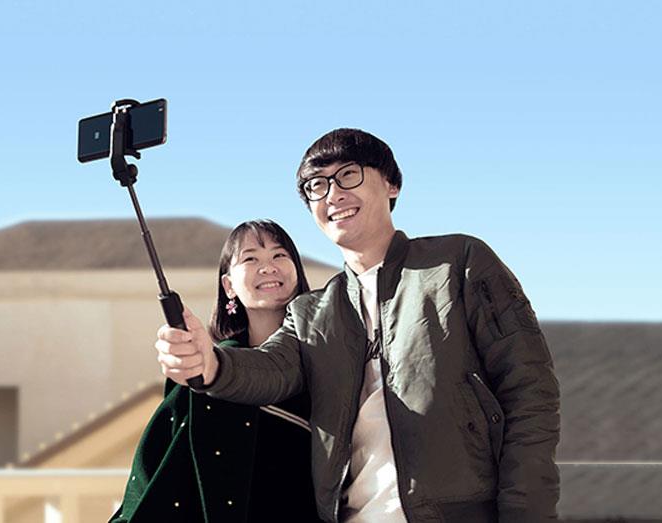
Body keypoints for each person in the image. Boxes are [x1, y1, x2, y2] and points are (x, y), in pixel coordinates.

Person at [156, 129, 561, 523]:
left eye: (348, 174)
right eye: (317, 185)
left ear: (391, 184)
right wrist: (210, 364)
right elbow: (270, 368)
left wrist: (526, 513)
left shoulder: (457, 262)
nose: (333, 194)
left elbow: (530, 391)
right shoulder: (313, 311)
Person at [111, 220, 322, 523]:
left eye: (279, 255)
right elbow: (159, 476)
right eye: (251, 258)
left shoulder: (328, 358)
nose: (268, 267)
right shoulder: (204, 376)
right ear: (229, 286)